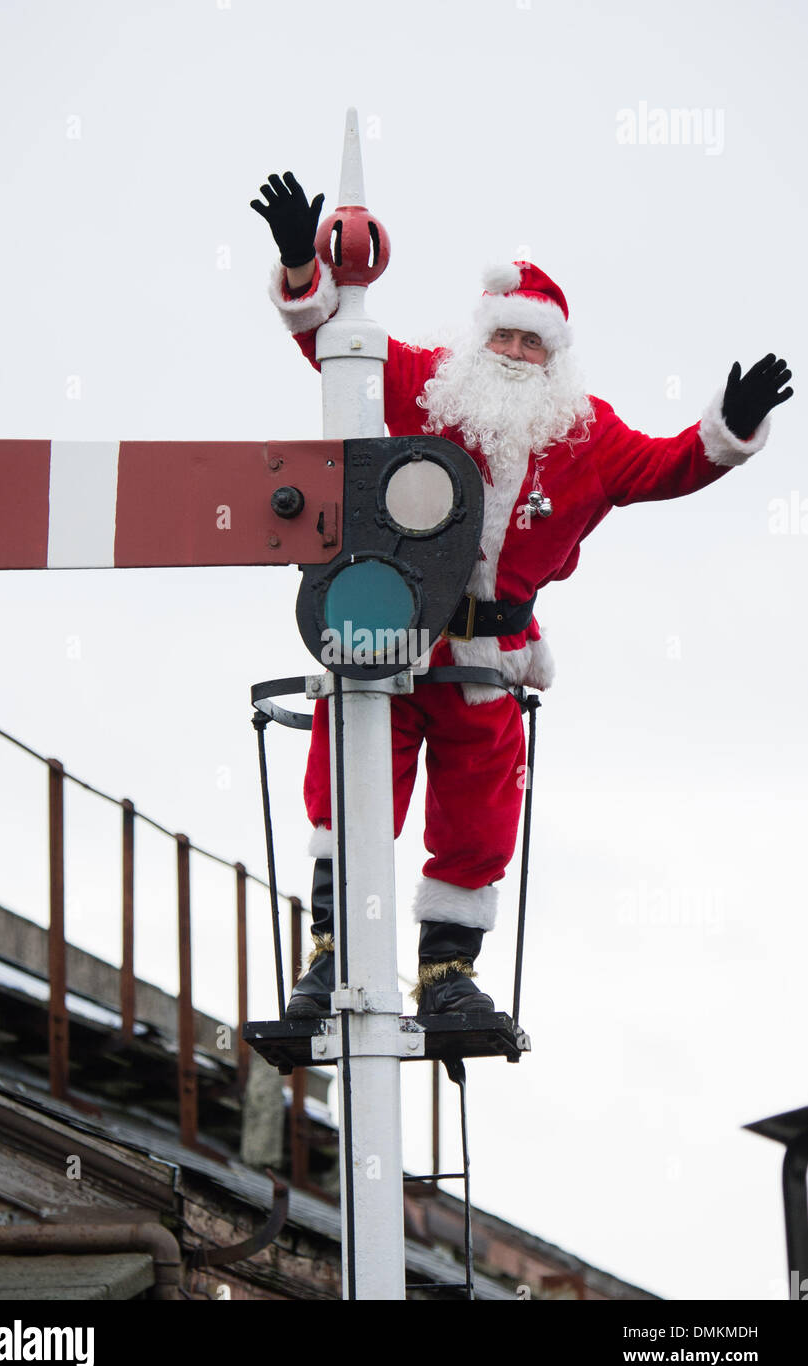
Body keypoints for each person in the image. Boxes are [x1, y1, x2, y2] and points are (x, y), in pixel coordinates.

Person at [251, 171, 794, 1019]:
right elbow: (333, 346)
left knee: (478, 813)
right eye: (502, 338)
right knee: (352, 787)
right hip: (388, 631)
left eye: (530, 345)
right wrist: (297, 263)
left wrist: (726, 424)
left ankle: (445, 975)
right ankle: (331, 954)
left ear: (554, 357)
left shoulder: (587, 433)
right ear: (480, 341)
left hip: (489, 658)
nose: (513, 355)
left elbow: (668, 466)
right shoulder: (427, 384)